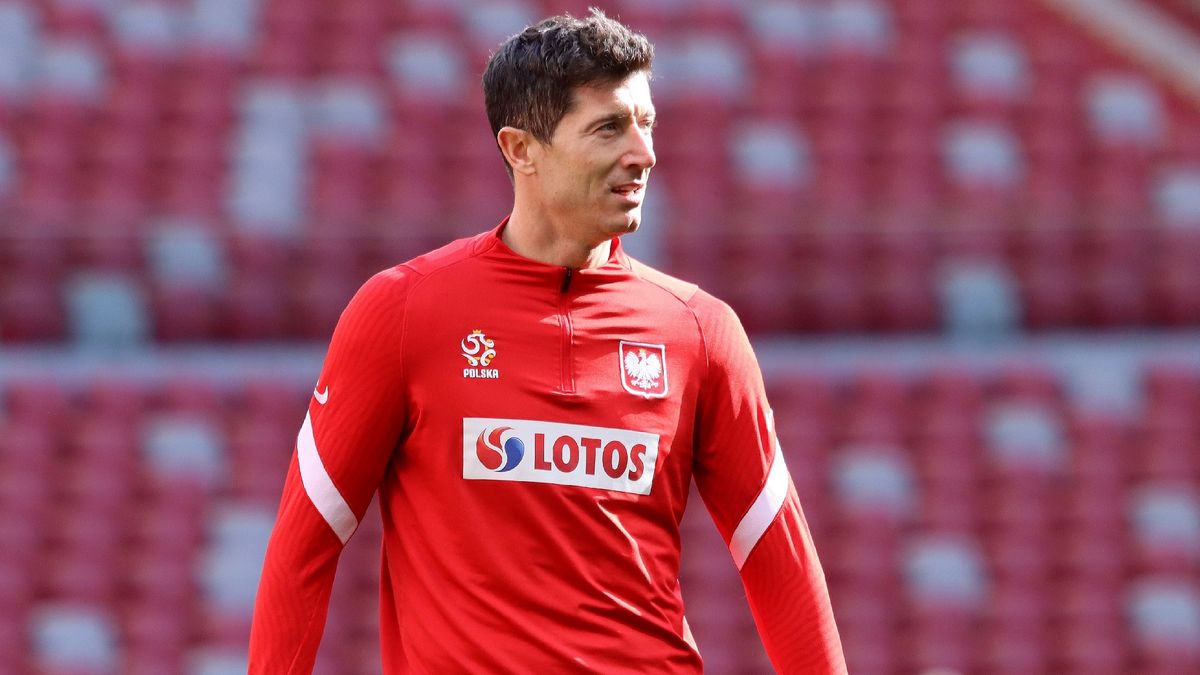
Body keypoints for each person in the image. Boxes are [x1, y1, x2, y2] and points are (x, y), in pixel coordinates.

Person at [249, 9, 845, 673]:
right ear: (521, 149)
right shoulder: (403, 311)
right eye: (609, 127)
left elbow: (777, 553)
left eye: (646, 123)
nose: (644, 153)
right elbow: (303, 546)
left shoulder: (701, 330)